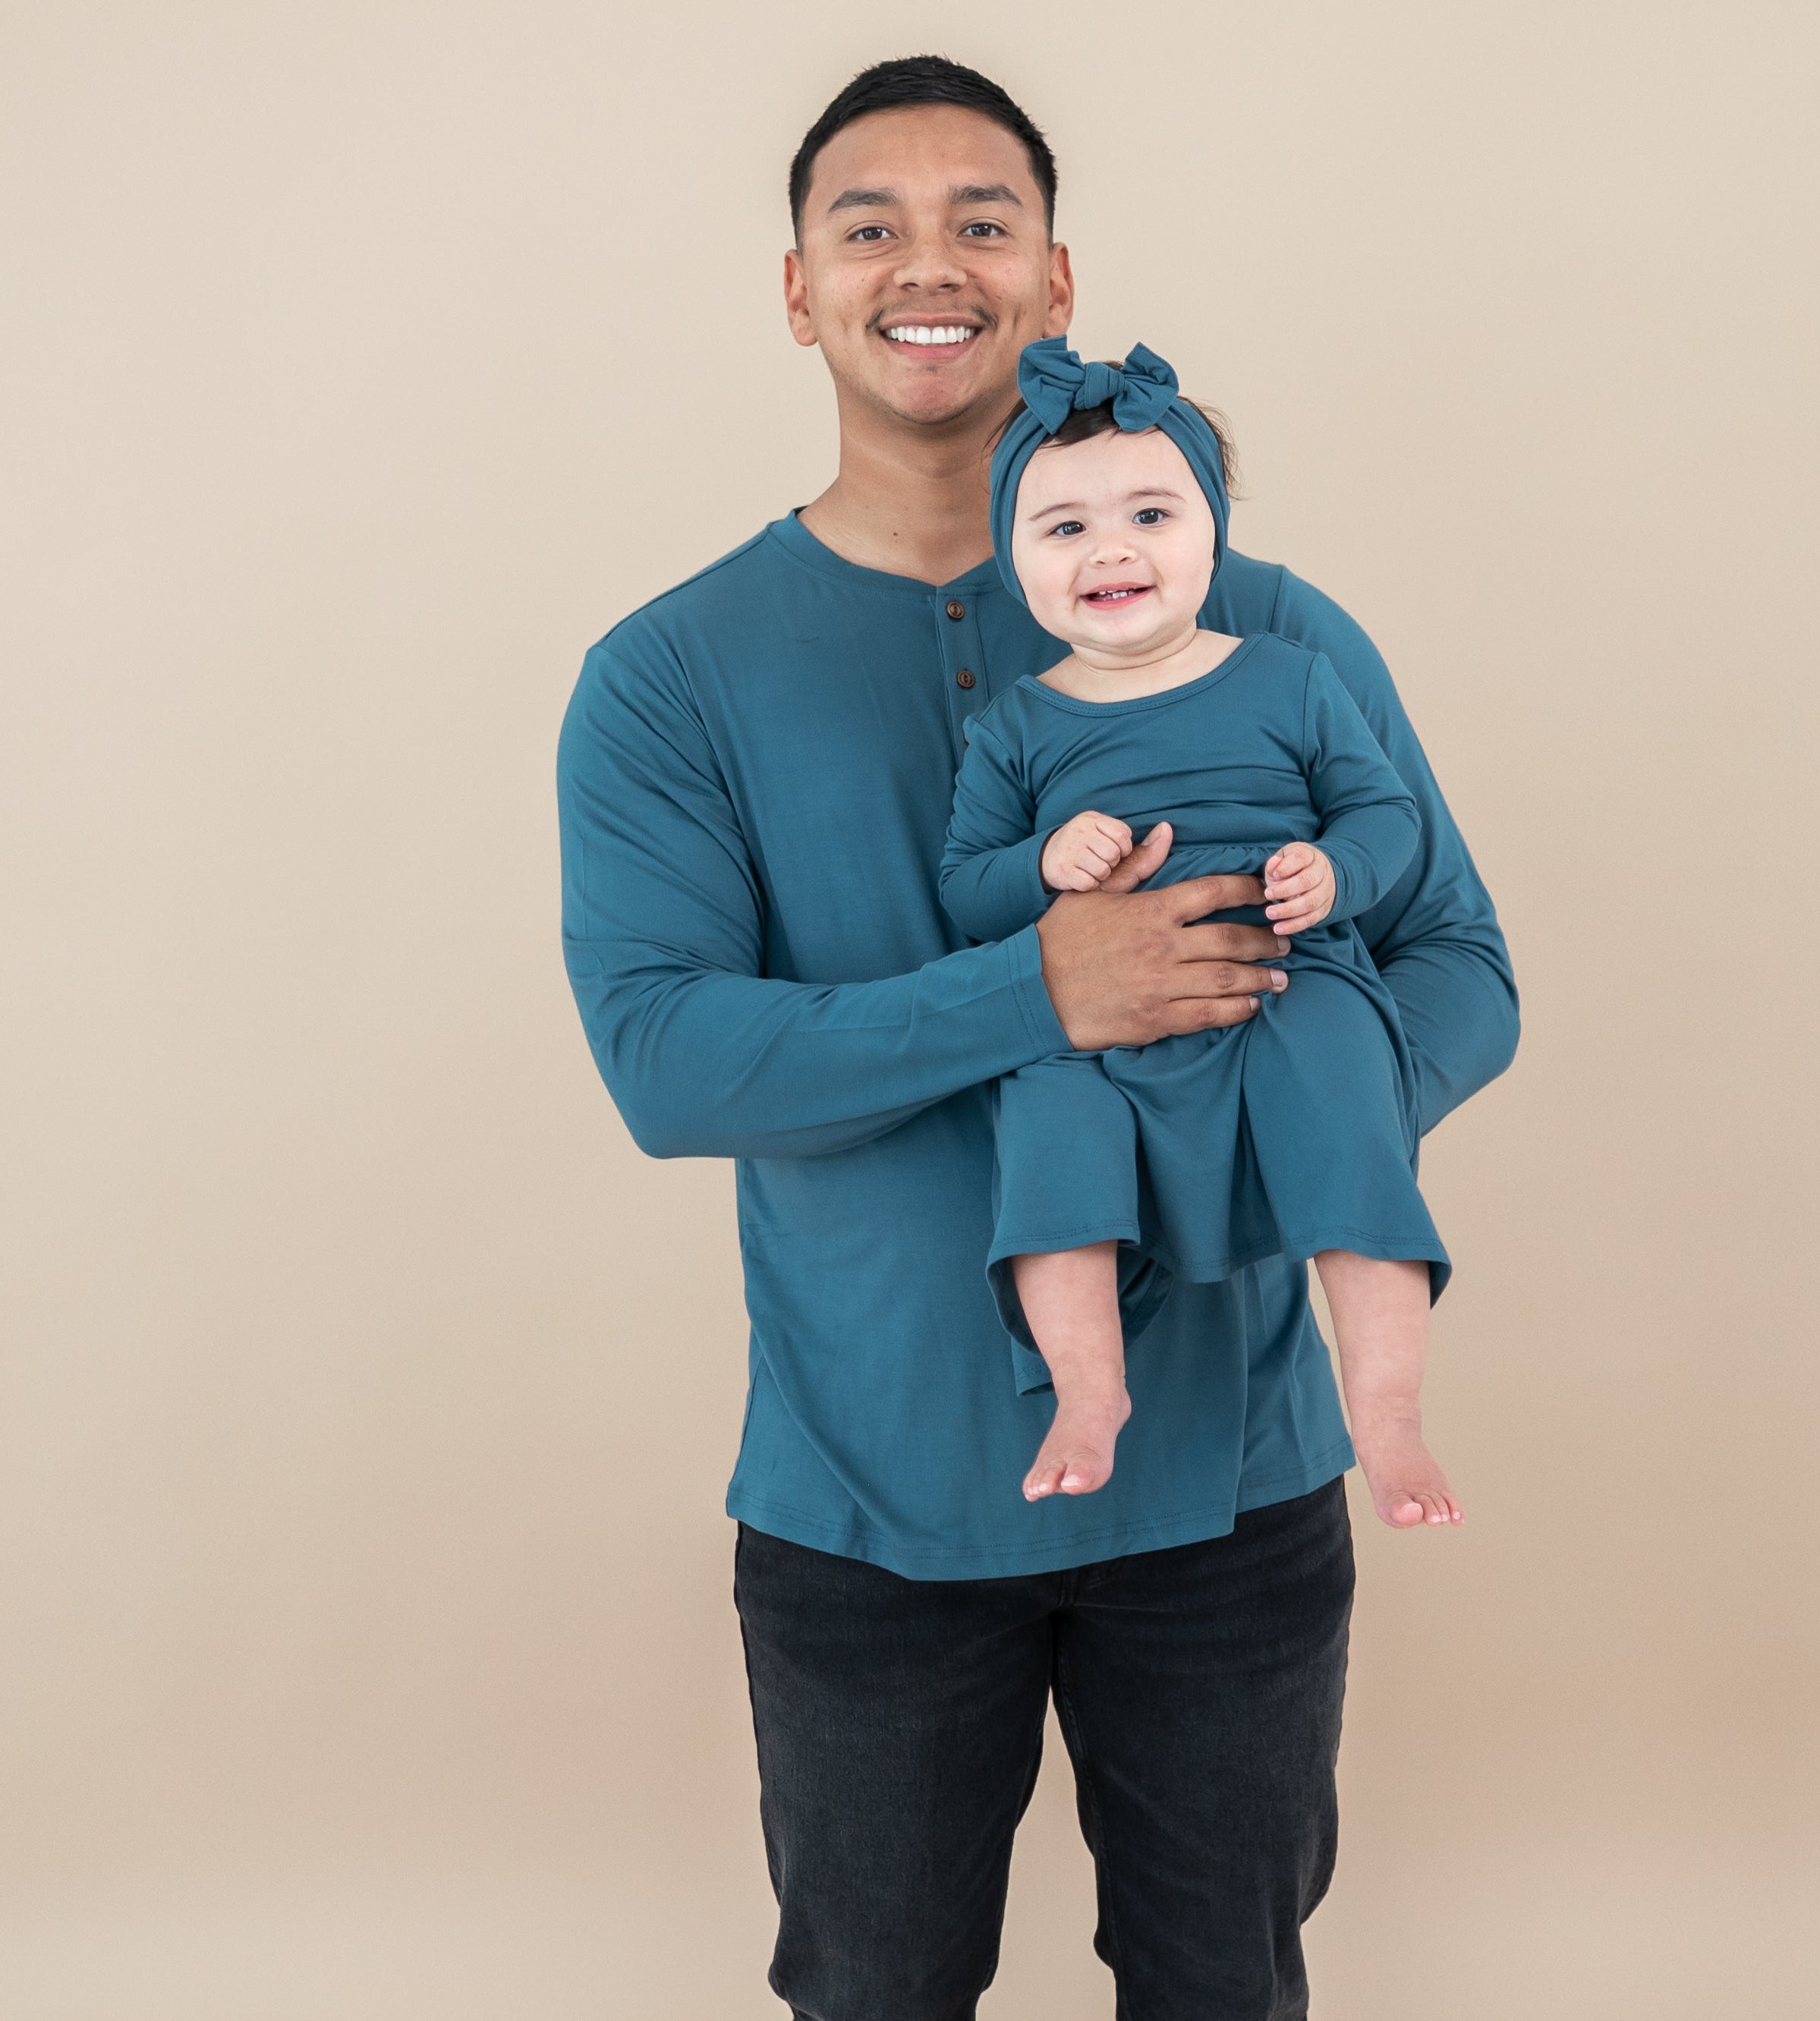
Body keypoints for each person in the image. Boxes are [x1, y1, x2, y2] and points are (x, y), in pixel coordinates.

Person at [556, 53, 1517, 2021]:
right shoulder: (672, 674)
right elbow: (668, 1063)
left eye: (982, 221)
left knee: (1225, 1992)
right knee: (875, 1996)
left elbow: (1463, 965)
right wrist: (1043, 991)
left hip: (1234, 1491)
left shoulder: (1270, 624)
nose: (933, 263)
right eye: (871, 224)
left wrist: (1282, 1094)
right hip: (868, 1500)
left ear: (1056, 280)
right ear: (800, 287)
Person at [942, 338, 1459, 1521]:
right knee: (1048, 1127)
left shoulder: (1285, 676)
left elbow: (1385, 813)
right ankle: (1089, 1387)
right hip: (1092, 1020)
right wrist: (1040, 863)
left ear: (1212, 540)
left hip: (1286, 976)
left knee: (1350, 1112)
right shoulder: (1019, 729)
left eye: (1151, 513)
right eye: (1062, 527)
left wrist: (1336, 871)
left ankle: (1386, 1413)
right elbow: (968, 886)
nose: (1111, 547)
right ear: (1014, 565)